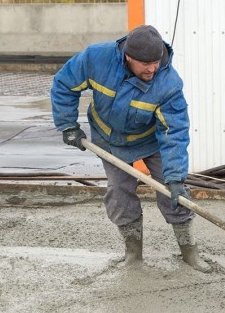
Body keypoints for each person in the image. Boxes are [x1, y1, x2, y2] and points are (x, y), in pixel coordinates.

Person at [51, 24, 209, 272]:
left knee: (173, 194)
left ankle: (189, 251)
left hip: (150, 140)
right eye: (146, 64)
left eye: (156, 62)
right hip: (109, 140)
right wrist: (67, 124)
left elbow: (174, 132)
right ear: (128, 57)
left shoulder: (168, 84)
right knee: (119, 192)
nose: (152, 69)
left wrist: (176, 177)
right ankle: (133, 254)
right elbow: (64, 84)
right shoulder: (96, 59)